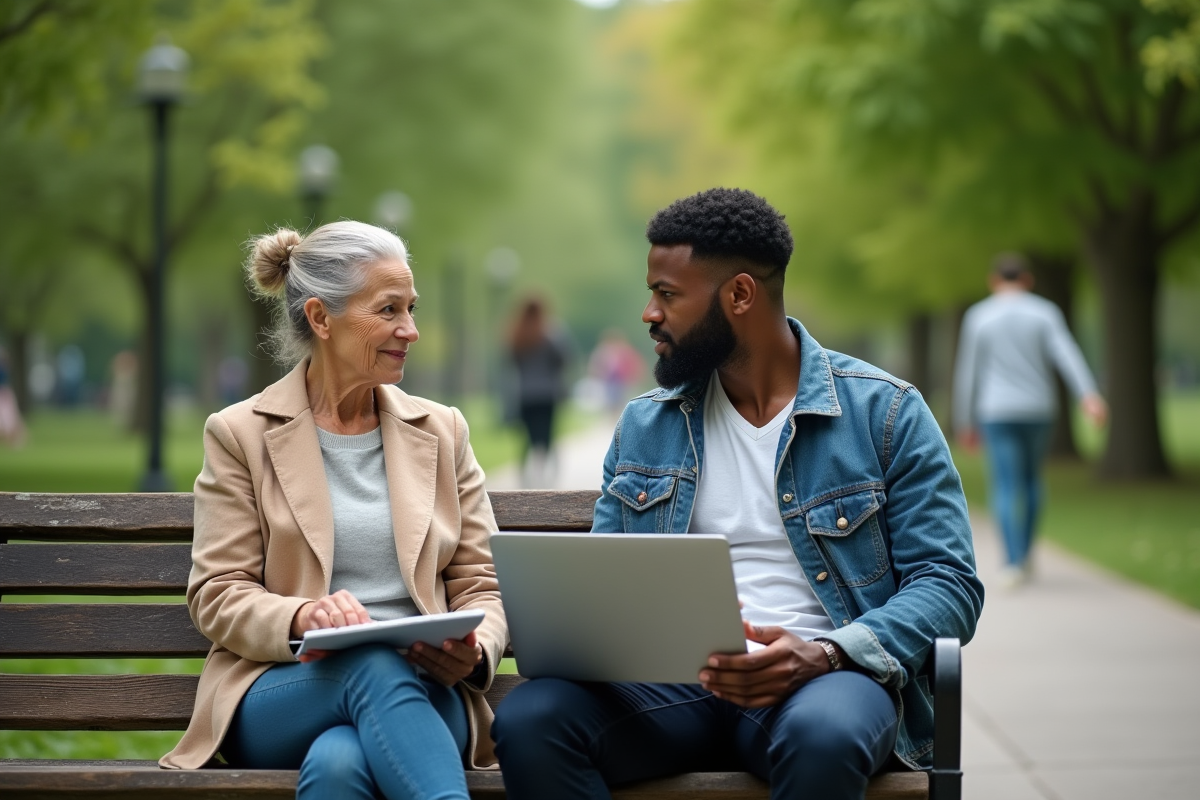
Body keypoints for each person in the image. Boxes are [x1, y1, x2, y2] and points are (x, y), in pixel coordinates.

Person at [491, 188, 984, 800]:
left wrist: (828, 653)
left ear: (741, 295)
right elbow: (605, 577)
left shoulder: (885, 413)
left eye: (667, 294)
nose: (648, 313)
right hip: (670, 687)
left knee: (824, 737)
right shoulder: (647, 423)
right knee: (531, 720)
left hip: (820, 679)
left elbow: (948, 583)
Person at [159, 221, 509, 800]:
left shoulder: (442, 430)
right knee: (369, 665)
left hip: (426, 690)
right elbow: (218, 593)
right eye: (389, 309)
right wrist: (302, 617)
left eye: (411, 308)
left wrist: (474, 654)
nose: (411, 329)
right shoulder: (239, 434)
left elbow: (483, 584)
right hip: (286, 689)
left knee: (340, 762)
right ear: (321, 318)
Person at [953, 253, 1107, 586]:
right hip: (1038, 409)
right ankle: (1025, 551)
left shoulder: (979, 316)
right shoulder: (1045, 312)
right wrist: (1088, 395)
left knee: (1006, 484)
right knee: (1032, 480)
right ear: (1027, 280)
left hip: (996, 411)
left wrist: (964, 420)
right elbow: (1067, 354)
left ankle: (1013, 562)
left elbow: (968, 370)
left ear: (994, 281)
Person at [507, 296, 570, 487]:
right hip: (547, 393)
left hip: (526, 393)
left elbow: (512, 360)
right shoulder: (550, 333)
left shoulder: (517, 333)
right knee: (546, 433)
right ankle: (545, 472)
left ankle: (526, 473)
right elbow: (563, 358)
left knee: (529, 434)